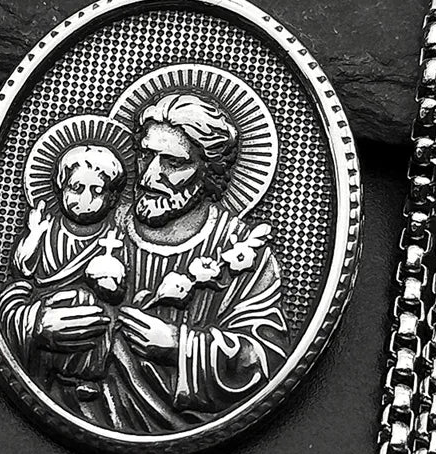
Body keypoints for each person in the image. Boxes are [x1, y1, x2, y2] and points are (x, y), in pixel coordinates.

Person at [76, 93, 290, 433]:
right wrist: (38, 325)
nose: (148, 176)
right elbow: (22, 293)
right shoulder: (102, 225)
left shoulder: (242, 253)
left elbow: (265, 359)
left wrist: (179, 346)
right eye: (145, 155)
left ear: (209, 172)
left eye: (173, 164)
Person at [0, 143, 128, 403]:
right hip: (48, 310)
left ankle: (85, 377)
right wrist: (34, 234)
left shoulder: (113, 236)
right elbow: (23, 268)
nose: (85, 201)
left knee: (94, 310)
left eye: (97, 191)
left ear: (112, 198)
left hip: (91, 320)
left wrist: (109, 283)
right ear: (61, 188)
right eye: (76, 188)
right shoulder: (47, 229)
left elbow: (119, 290)